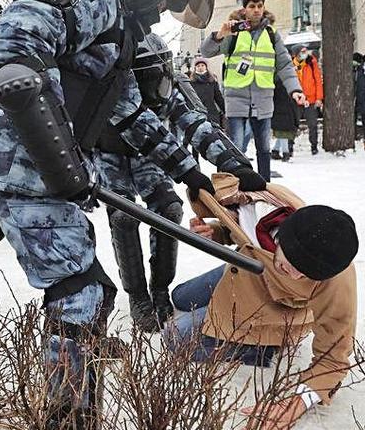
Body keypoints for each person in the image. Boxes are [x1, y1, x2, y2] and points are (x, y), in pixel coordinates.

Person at [0, 0, 263, 424]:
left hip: (24, 162)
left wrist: (191, 173)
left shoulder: (116, 23)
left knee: (92, 287)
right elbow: (15, 54)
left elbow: (127, 110)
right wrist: (62, 167)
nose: (163, 12)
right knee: (77, 293)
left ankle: (84, 369)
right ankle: (70, 414)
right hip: (14, 159)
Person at [96, 34, 263, 332]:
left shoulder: (169, 90)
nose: (156, 82)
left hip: (152, 156)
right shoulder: (112, 91)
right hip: (111, 155)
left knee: (169, 210)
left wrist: (233, 163)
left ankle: (160, 287)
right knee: (124, 216)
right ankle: (136, 295)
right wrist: (187, 171)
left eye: (160, 73)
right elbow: (139, 127)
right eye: (147, 76)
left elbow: (198, 125)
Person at [165, 173, 358, 430]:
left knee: (175, 337)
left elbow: (335, 355)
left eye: (306, 275)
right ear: (282, 237)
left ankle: (263, 347)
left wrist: (299, 401)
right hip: (245, 269)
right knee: (180, 296)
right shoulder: (270, 207)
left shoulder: (336, 276)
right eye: (293, 266)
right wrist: (219, 232)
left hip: (275, 307)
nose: (299, 276)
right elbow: (244, 229)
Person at [200, 0, 305, 181]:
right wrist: (219, 35)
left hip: (263, 99)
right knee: (236, 147)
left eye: (259, 6)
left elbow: (284, 64)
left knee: (264, 148)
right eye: (252, 6)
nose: (256, 10)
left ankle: (264, 183)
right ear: (244, 9)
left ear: (263, 8)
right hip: (236, 98)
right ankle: (236, 184)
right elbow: (206, 52)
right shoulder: (234, 32)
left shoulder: (271, 35)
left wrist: (295, 89)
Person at [291, 44, 323, 155]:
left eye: (306, 51)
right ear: (296, 54)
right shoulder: (291, 65)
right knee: (293, 124)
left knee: (312, 124)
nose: (305, 53)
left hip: (310, 99)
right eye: (303, 51)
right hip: (296, 99)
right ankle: (290, 146)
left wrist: (319, 98)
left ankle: (314, 146)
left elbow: (318, 81)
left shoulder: (311, 63)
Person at [188, 57, 225, 126]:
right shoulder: (191, 83)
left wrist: (225, 111)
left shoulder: (212, 81)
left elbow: (218, 98)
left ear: (206, 67)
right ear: (195, 68)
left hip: (212, 113)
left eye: (202, 65)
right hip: (198, 115)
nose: (200, 67)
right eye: (198, 66)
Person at [271, 77, 300, 162]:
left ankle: (275, 151)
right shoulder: (287, 83)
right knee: (284, 132)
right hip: (285, 110)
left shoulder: (277, 82)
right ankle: (285, 153)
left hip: (280, 110)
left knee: (282, 132)